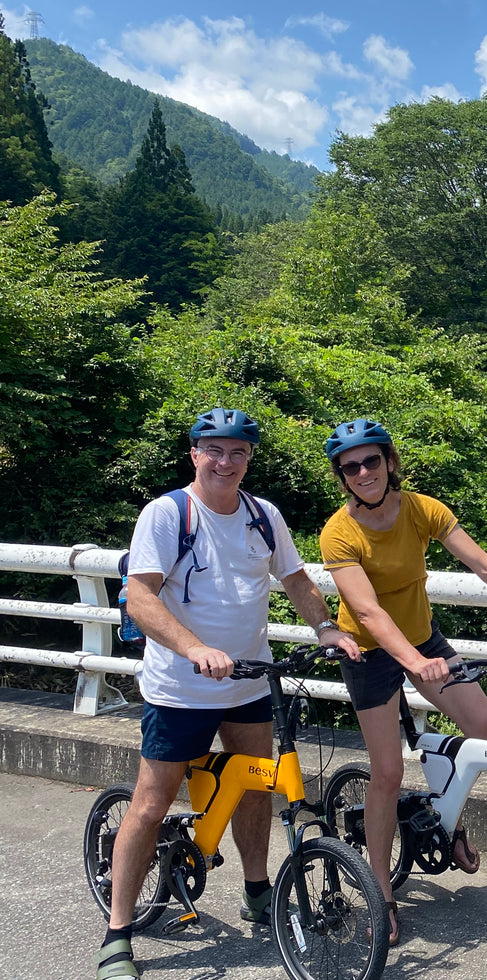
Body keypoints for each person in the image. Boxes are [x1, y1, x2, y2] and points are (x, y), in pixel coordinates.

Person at [95, 408, 360, 980]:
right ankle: (117, 933)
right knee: (152, 802)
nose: (226, 461)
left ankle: (258, 890)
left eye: (238, 452)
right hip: (180, 688)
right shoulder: (168, 514)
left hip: (247, 681)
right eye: (214, 450)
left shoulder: (263, 516)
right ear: (194, 453)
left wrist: (326, 628)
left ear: (249, 458)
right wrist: (193, 648)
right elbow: (140, 596)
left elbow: (294, 579)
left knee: (258, 788)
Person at [318, 418, 487, 946]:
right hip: (370, 653)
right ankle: (381, 895)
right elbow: (365, 611)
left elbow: (481, 564)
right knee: (386, 773)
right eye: (351, 466)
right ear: (342, 477)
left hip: (423, 640)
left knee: (484, 722)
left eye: (371, 460)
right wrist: (413, 661)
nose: (363, 472)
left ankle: (447, 816)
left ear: (389, 462)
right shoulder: (338, 532)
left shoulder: (421, 508)